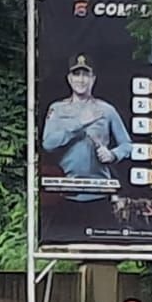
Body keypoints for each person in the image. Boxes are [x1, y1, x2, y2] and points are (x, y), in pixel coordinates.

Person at [40, 54, 132, 199]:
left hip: (100, 192)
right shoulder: (57, 109)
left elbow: (127, 145)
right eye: (76, 74)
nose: (81, 80)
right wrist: (79, 124)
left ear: (93, 79)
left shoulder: (106, 110)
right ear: (69, 79)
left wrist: (113, 155)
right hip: (66, 192)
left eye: (86, 75)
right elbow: (48, 144)